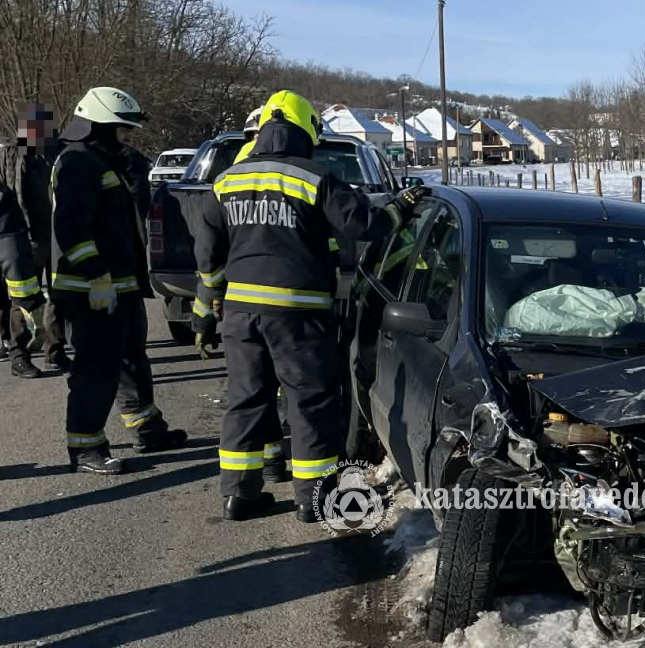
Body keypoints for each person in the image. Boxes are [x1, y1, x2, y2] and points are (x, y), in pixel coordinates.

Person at [192, 90, 423, 522]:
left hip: (241, 314)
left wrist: (208, 307)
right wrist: (399, 207)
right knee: (309, 402)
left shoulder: (227, 180)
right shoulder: (313, 177)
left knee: (246, 400)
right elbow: (365, 224)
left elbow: (207, 254)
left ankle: (237, 497)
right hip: (297, 314)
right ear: (305, 131)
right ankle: (311, 499)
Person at [51, 86, 188, 475]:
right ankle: (86, 447)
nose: (128, 135)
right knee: (95, 369)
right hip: (90, 288)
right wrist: (96, 277)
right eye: (121, 128)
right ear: (98, 126)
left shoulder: (104, 160)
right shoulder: (78, 162)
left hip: (120, 285)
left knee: (131, 361)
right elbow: (72, 227)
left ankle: (147, 428)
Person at [0, 103, 70, 376]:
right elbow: (16, 197)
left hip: (51, 237)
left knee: (56, 296)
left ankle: (55, 350)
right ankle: (20, 355)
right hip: (22, 239)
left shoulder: (51, 156)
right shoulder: (13, 156)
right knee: (22, 301)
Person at [0, 180, 46, 364]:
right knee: (21, 296)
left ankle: (20, 353)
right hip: (10, 236)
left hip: (10, 236)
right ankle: (17, 351)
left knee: (23, 297)